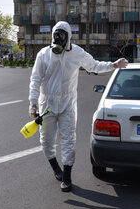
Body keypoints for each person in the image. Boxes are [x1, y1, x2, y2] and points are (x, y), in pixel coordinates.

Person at [28, 21, 128, 192]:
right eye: (56, 34)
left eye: (62, 35)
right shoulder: (43, 54)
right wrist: (33, 103)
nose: (58, 38)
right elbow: (35, 79)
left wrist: (113, 65)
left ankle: (67, 177)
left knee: (68, 140)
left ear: (68, 36)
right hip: (47, 105)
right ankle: (56, 169)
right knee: (46, 141)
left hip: (68, 103)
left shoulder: (77, 53)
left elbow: (94, 65)